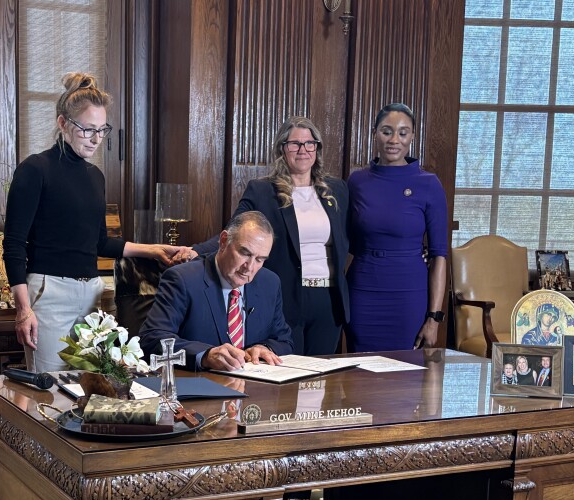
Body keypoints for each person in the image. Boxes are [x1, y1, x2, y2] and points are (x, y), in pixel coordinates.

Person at [3, 72, 179, 372]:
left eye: (102, 129)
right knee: (50, 392)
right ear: (63, 124)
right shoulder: (35, 169)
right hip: (49, 293)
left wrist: (152, 250)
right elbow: (14, 244)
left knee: (92, 390)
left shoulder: (95, 177)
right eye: (87, 129)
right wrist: (22, 309)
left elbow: (99, 242)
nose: (96, 139)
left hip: (92, 296)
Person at [181, 116, 349, 357]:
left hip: (329, 300)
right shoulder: (262, 190)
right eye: (294, 144)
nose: (303, 150)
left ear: (317, 148)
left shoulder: (337, 190)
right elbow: (235, 231)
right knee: (287, 374)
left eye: (309, 143)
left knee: (322, 379)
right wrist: (196, 251)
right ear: (282, 148)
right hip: (289, 297)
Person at [345, 103, 448, 352]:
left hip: (408, 293)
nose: (394, 140)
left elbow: (439, 255)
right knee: (360, 376)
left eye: (403, 133)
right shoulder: (356, 181)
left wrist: (434, 318)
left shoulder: (428, 184)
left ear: (412, 136)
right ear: (374, 133)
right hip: (363, 291)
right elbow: (346, 242)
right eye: (386, 131)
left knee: (406, 378)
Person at [140, 211, 294, 371]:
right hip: (200, 387)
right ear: (223, 241)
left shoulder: (269, 282)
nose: (250, 267)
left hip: (254, 388)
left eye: (260, 259)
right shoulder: (183, 279)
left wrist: (265, 348)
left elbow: (284, 340)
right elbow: (152, 339)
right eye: (244, 253)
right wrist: (205, 355)